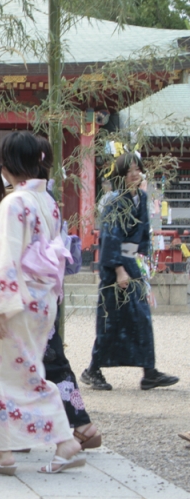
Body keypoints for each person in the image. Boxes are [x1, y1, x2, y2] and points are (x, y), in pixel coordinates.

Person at [0, 131, 83, 476]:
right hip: (43, 298)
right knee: (24, 370)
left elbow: (6, 256)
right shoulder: (46, 201)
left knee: (8, 374)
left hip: (16, 299)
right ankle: (9, 449)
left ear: (7, 164)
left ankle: (48, 445)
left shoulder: (15, 203)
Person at [81, 153, 179, 391]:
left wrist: (140, 262)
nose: (134, 174)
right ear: (121, 175)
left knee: (142, 318)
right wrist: (119, 269)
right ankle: (93, 370)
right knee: (111, 319)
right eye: (129, 171)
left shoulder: (142, 197)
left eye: (137, 169)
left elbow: (143, 235)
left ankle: (150, 372)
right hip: (115, 268)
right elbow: (110, 236)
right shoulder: (115, 200)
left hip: (132, 263)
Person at [35, 136, 101, 450]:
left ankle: (79, 424)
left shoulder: (31, 202)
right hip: (47, 291)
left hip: (30, 294)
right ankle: (77, 424)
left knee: (39, 361)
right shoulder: (48, 201)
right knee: (48, 360)